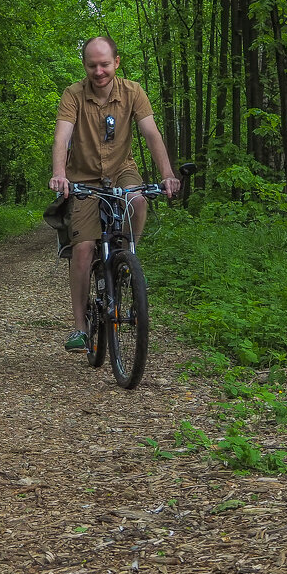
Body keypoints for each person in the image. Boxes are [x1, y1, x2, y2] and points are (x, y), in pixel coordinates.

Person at [48, 36, 180, 352]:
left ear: (116, 62)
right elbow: (61, 138)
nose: (99, 71)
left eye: (105, 64)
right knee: (82, 249)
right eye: (92, 65)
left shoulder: (133, 92)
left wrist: (167, 175)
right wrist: (60, 174)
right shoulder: (73, 95)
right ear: (85, 66)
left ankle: (124, 256)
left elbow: (151, 134)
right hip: (84, 177)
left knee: (138, 199)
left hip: (122, 169)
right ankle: (80, 327)